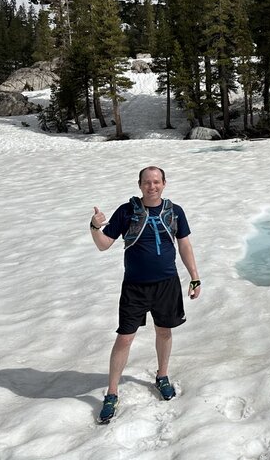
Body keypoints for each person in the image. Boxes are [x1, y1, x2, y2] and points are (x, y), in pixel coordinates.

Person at [89, 166, 201, 424]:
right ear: (139, 185)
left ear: (164, 183)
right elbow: (104, 245)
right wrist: (94, 227)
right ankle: (112, 393)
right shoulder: (126, 211)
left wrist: (194, 277)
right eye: (147, 182)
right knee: (124, 339)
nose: (152, 186)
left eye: (156, 182)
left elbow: (184, 244)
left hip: (167, 284)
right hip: (135, 287)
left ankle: (162, 376)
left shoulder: (175, 212)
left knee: (164, 331)